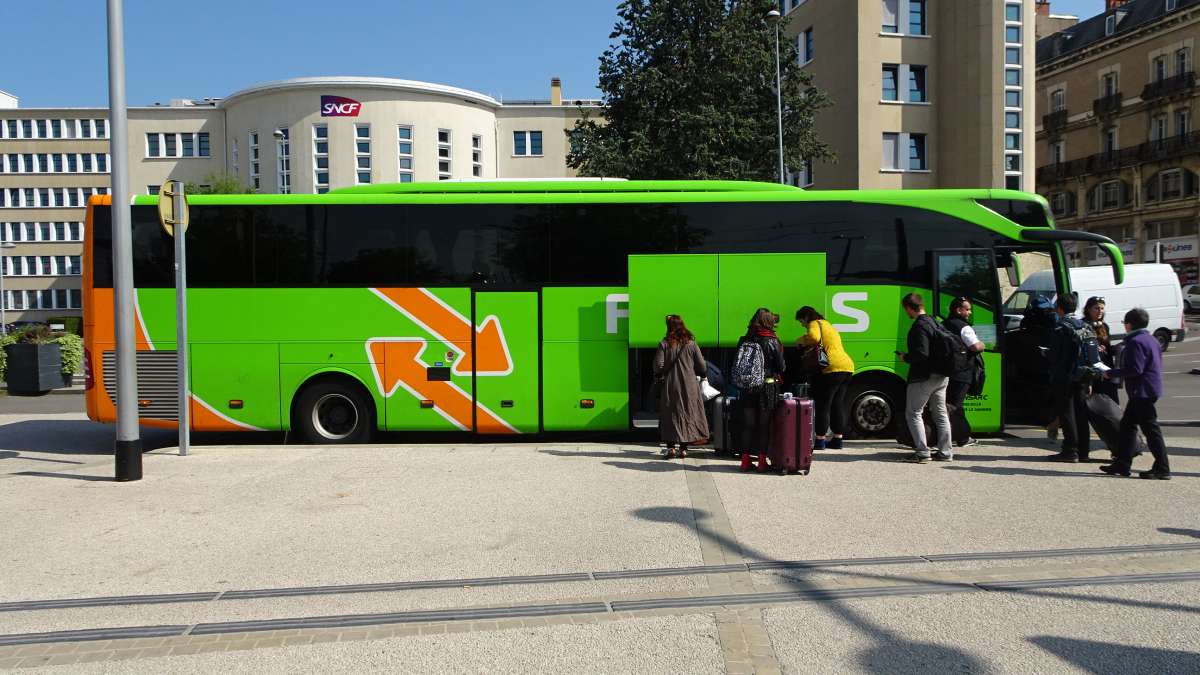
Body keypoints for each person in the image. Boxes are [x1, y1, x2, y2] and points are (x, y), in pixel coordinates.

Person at [1101, 308, 1171, 480]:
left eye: (1124, 323)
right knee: (1127, 426)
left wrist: (1110, 373)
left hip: (1142, 391)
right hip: (1149, 389)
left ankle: (1162, 467)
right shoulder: (1151, 339)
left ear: (1129, 324)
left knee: (1151, 430)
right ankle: (1122, 463)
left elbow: (1135, 369)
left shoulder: (1135, 342)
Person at [897, 293, 952, 463]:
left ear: (908, 308)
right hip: (942, 376)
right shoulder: (935, 322)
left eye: (905, 309)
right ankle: (945, 452)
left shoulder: (919, 326)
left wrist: (905, 357)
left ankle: (922, 452)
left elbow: (922, 353)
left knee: (913, 413)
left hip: (924, 376)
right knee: (941, 414)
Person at [795, 306, 854, 450]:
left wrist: (801, 340)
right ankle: (838, 440)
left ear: (806, 317)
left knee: (824, 404)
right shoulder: (828, 325)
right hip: (847, 366)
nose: (802, 325)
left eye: (802, 321)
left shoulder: (814, 323)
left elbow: (814, 337)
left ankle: (820, 440)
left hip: (832, 368)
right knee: (837, 404)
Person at [736, 308, 786, 472]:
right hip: (767, 386)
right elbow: (781, 367)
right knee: (764, 426)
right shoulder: (772, 340)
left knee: (747, 424)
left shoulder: (744, 340)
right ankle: (762, 462)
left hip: (748, 387)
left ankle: (745, 461)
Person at [653, 315, 710, 459]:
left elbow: (658, 366)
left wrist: (661, 373)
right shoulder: (691, 343)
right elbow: (702, 366)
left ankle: (671, 447)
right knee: (687, 413)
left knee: (670, 414)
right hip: (689, 385)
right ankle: (684, 449)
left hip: (670, 384)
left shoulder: (664, 343)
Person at [1047, 292, 1091, 462]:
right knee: (1081, 412)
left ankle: (1070, 450)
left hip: (1065, 376)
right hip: (1082, 375)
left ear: (1059, 308)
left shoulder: (1060, 327)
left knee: (1067, 413)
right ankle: (1083, 451)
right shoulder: (1084, 325)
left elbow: (1055, 354)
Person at [942, 297, 984, 448]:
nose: (969, 312)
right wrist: (982, 344)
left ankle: (947, 436)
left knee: (945, 405)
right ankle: (963, 437)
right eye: (967, 309)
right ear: (959, 310)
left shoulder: (943, 324)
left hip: (945, 372)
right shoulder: (964, 327)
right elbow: (975, 347)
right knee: (956, 406)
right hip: (962, 373)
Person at [1083, 296, 1119, 404]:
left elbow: (1108, 349)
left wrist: (1119, 348)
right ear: (1088, 309)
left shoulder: (1104, 326)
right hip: (1092, 371)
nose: (1100, 311)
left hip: (1106, 370)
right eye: (1097, 308)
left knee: (1112, 403)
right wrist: (1094, 348)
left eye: (1102, 308)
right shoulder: (1083, 326)